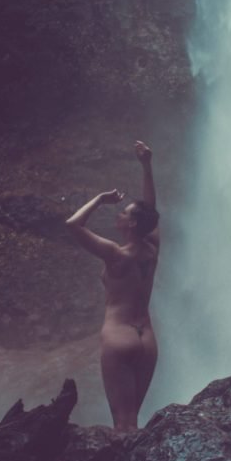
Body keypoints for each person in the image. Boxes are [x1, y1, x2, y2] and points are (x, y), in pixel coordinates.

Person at [65, 140, 160, 432]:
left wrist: (99, 199)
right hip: (147, 342)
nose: (118, 215)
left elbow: (72, 224)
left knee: (122, 423)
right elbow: (151, 211)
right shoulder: (152, 249)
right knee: (134, 420)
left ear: (131, 225)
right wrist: (146, 166)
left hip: (119, 339)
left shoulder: (115, 254)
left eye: (123, 213)